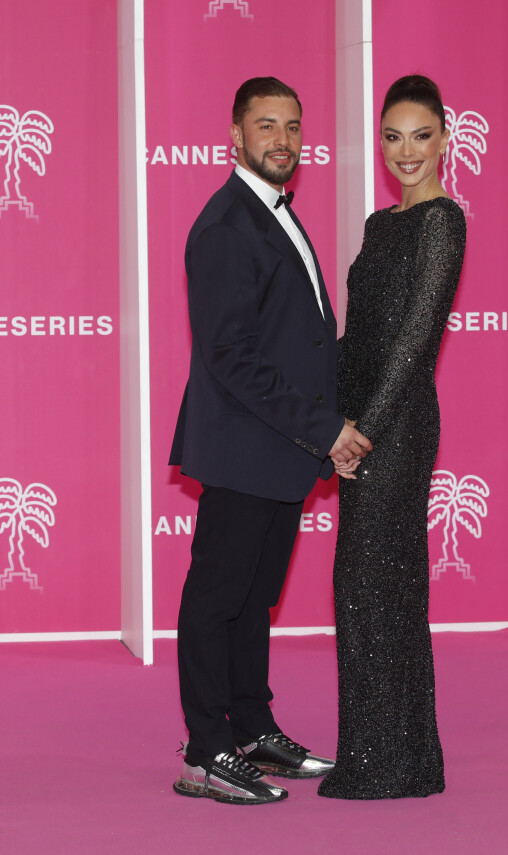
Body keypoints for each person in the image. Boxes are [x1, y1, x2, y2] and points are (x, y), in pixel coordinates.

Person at [169, 77, 372, 806]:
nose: (281, 139)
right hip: (243, 447)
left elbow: (299, 340)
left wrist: (325, 430)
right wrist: (325, 429)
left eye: (291, 125)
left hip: (279, 450)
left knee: (254, 599)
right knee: (217, 596)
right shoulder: (227, 226)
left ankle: (251, 727)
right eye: (265, 126)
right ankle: (205, 749)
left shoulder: (275, 214)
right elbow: (233, 356)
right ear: (235, 133)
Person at [318, 75, 466, 800]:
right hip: (363, 425)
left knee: (379, 585)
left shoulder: (443, 221)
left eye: (421, 135)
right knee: (366, 587)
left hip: (400, 428)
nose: (406, 152)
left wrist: (365, 432)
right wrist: (331, 424)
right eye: (392, 136)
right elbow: (360, 339)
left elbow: (413, 341)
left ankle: (391, 760)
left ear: (445, 137)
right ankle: (392, 755)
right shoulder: (382, 225)